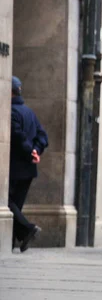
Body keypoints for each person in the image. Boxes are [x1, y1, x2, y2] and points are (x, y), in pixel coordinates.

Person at [9, 76, 47, 252]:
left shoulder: (10, 111)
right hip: (29, 168)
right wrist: (36, 151)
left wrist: (30, 151)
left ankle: (27, 229)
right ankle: (16, 238)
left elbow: (17, 136)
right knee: (16, 205)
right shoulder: (29, 112)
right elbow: (42, 135)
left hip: (15, 167)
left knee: (7, 203)